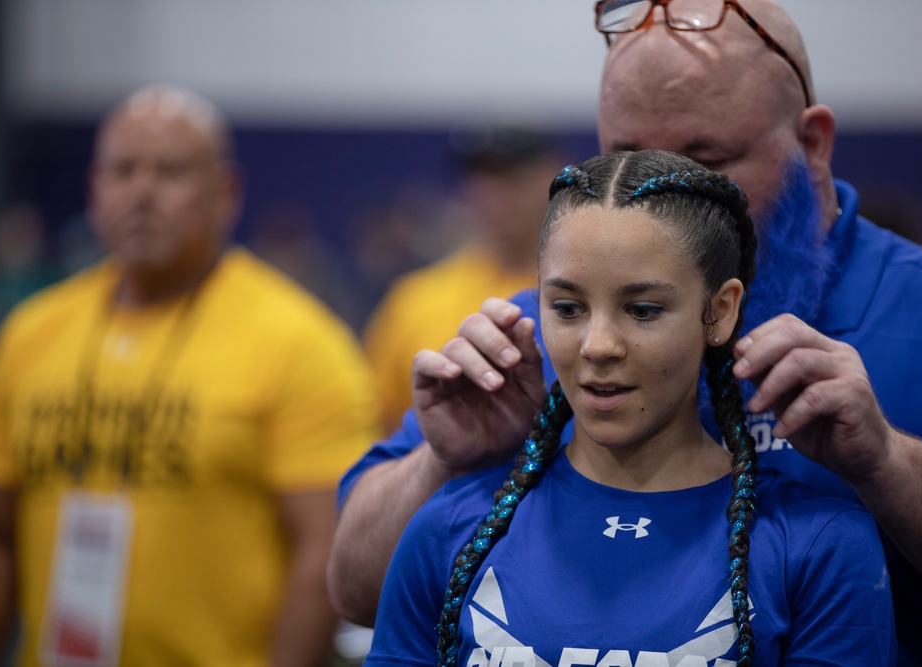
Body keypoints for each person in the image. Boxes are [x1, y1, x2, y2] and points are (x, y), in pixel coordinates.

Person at [329, 2, 922, 665]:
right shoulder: (541, 336)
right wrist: (446, 460)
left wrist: (889, 462)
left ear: (812, 144)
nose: (671, 195)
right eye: (631, 156)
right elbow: (357, 589)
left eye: (709, 155)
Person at [365, 149, 894, 666]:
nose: (597, 346)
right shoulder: (449, 527)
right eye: (567, 308)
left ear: (721, 310)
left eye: (642, 310)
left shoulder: (818, 544)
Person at [0, 85, 382, 667]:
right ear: (96, 189)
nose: (142, 193)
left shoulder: (300, 343)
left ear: (224, 192)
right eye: (123, 171)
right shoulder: (32, 333)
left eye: (169, 172)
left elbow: (323, 553)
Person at [362, 127, 561, 431]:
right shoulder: (415, 298)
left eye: (512, 177)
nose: (495, 193)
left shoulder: (584, 292)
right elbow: (380, 423)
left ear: (552, 179)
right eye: (482, 179)